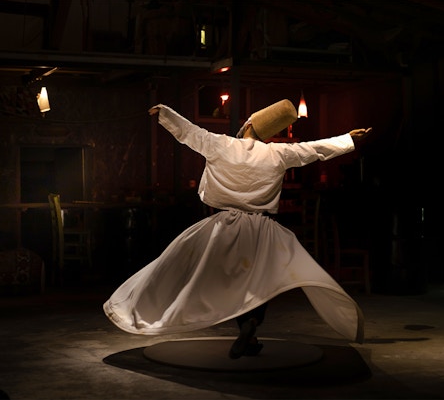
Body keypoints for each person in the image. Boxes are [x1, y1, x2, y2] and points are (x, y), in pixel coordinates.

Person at [103, 99, 372, 359]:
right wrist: (348, 139)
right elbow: (313, 150)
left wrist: (165, 113)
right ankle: (251, 324)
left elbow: (189, 132)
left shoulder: (221, 144)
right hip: (263, 230)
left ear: (248, 125)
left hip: (226, 227)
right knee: (258, 284)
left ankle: (235, 324)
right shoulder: (278, 153)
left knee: (198, 271)